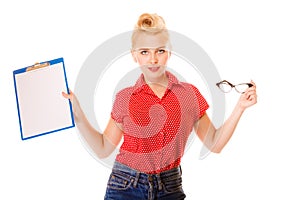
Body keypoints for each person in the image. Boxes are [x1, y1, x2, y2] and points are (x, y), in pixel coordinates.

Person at [62, 13, 257, 200]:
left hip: (170, 188)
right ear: (134, 55)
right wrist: (78, 115)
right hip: (125, 186)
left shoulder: (189, 95)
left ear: (169, 52)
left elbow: (215, 144)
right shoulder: (125, 98)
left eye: (160, 51)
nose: (153, 59)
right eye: (144, 52)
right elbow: (103, 148)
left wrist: (240, 107)